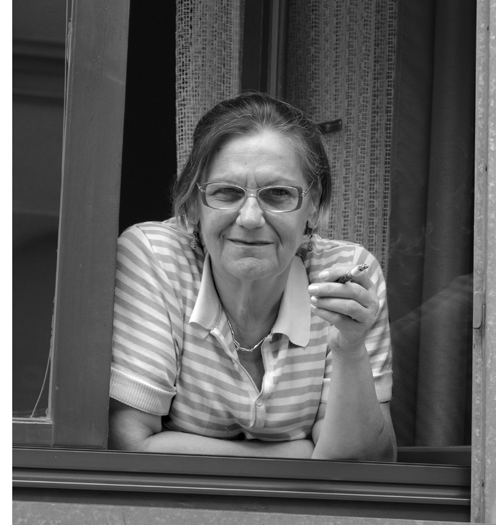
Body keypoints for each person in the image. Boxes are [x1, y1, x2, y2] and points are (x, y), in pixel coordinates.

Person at [108, 91, 396, 461]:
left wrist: (349, 349)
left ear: (313, 205)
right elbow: (130, 443)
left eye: (278, 194)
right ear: (193, 203)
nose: (249, 218)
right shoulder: (155, 256)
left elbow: (362, 463)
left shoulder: (346, 276)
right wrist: (301, 454)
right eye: (226, 192)